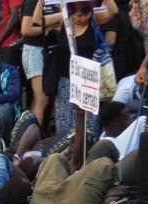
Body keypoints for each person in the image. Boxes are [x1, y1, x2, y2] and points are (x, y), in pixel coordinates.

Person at [34, 0, 117, 134]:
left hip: (88, 82)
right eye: (79, 15)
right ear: (71, 11)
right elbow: (37, 20)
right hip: (66, 82)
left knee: (88, 127)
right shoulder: (64, 19)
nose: (84, 18)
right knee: (65, 126)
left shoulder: (94, 19)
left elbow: (113, 11)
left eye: (87, 13)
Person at [20, 0, 57, 127]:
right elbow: (26, 30)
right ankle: (34, 139)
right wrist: (50, 29)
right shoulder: (32, 1)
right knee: (41, 98)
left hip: (50, 50)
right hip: (35, 50)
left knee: (41, 99)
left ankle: (32, 136)